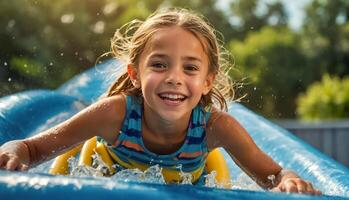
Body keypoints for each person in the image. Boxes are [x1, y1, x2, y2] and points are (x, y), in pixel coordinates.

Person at [0, 8, 320, 195]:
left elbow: (273, 176)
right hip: (106, 173)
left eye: (190, 68)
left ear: (207, 81)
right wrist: (15, 151)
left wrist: (290, 182)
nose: (174, 77)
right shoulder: (114, 114)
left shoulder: (215, 127)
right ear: (136, 74)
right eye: (159, 64)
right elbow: (32, 149)